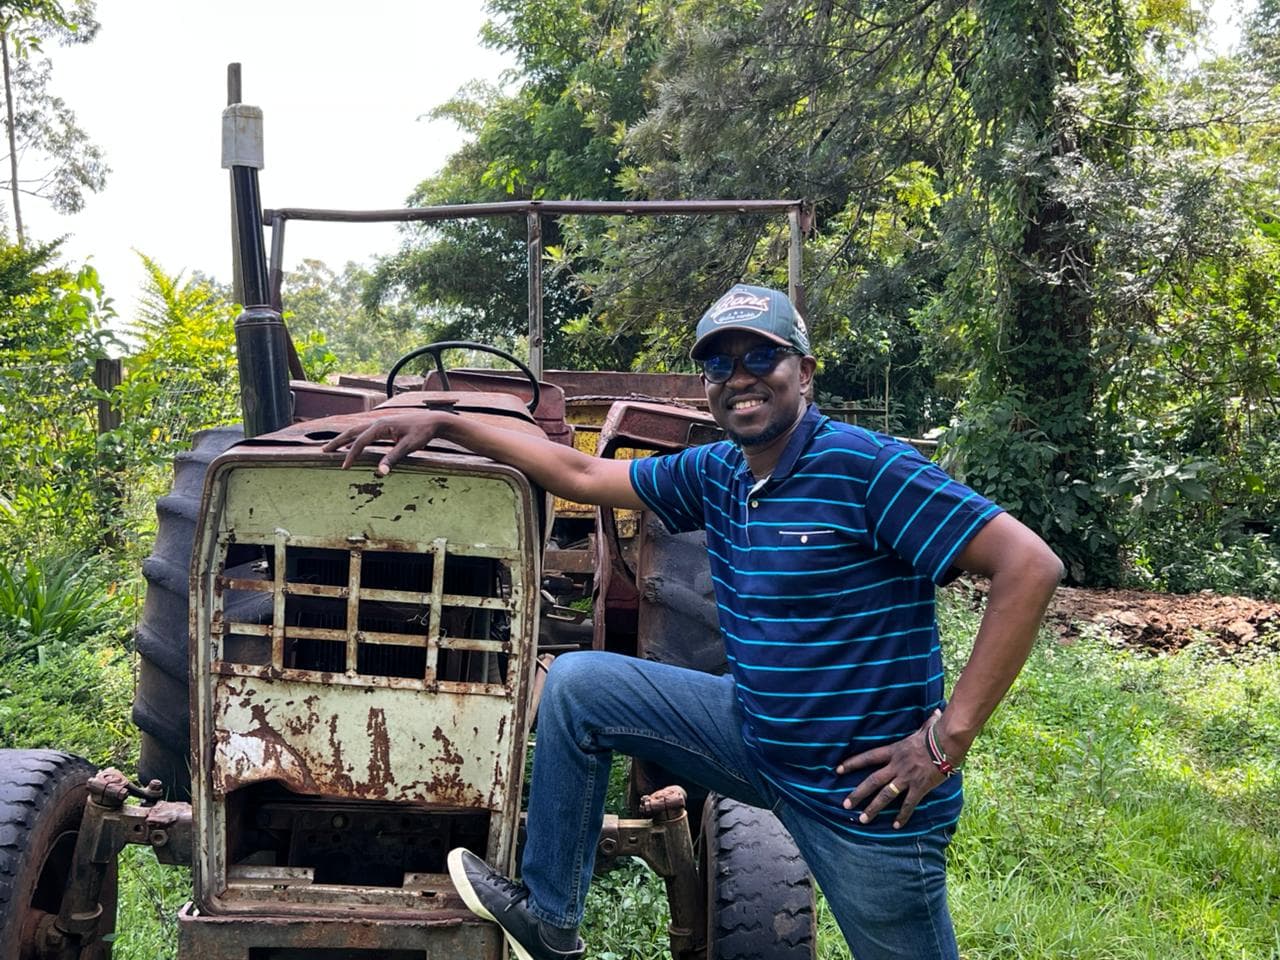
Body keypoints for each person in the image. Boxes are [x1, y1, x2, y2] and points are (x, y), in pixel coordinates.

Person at [323, 284, 1064, 960]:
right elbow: (582, 475)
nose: (739, 376)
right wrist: (447, 423)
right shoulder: (719, 474)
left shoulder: (868, 470)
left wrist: (944, 742)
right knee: (580, 684)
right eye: (719, 366)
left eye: (760, 356)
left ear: (804, 372)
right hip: (755, 738)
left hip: (860, 794)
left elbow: (1029, 567)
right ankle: (550, 918)